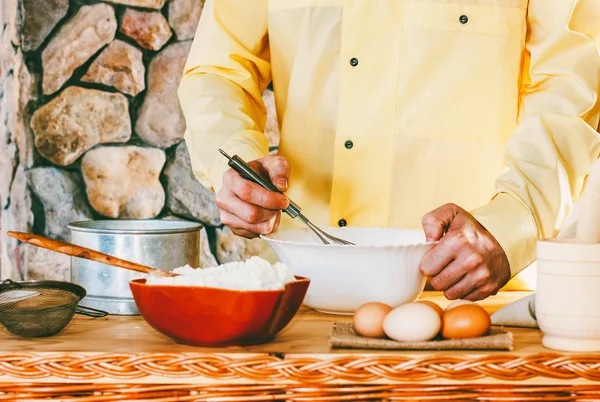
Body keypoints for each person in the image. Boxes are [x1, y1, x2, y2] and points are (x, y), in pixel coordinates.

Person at [178, 0, 600, 300]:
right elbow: (220, 71)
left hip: (471, 297)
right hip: (303, 295)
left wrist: (512, 221)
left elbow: (569, 86)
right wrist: (232, 164)